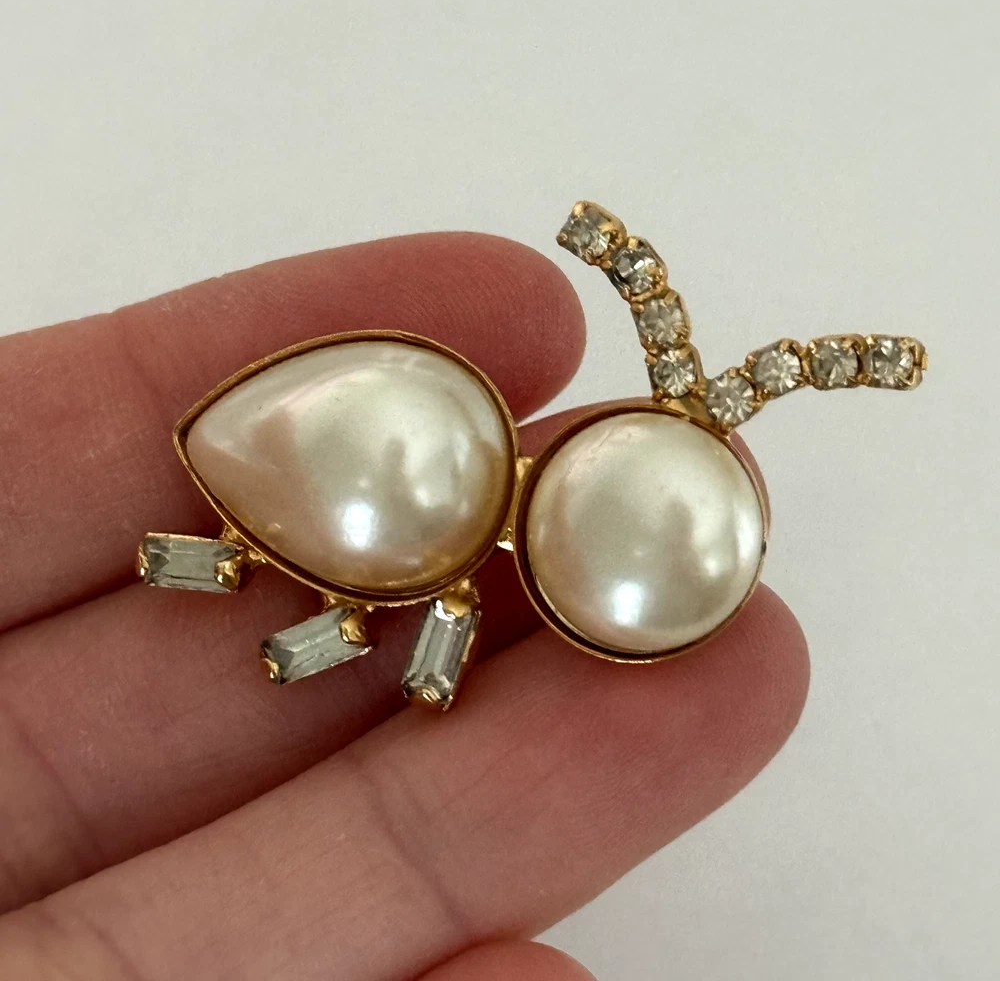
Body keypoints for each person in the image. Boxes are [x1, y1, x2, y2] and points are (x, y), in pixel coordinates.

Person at [0, 232, 809, 979]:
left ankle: (221, 566)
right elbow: (427, 683)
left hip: (366, 443)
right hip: (331, 450)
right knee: (365, 627)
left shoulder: (465, 431)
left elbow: (425, 674)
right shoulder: (459, 520)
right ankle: (223, 566)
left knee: (363, 617)